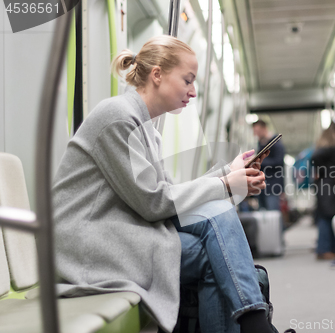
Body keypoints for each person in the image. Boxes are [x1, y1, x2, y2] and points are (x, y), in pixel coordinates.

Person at [52, 35, 287, 333]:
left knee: (214, 225)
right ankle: (256, 322)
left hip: (119, 233)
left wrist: (228, 173)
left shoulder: (145, 127)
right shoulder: (117, 118)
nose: (193, 91)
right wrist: (226, 184)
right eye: (187, 80)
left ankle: (254, 322)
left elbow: (169, 197)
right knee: (214, 255)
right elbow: (154, 204)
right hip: (88, 246)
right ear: (158, 74)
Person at [311, 120, 335, 260]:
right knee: (328, 215)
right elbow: (316, 158)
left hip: (327, 185)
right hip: (329, 187)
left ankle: (328, 248)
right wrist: (331, 173)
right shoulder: (332, 148)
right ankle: (325, 249)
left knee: (327, 215)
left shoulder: (329, 147)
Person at [252, 119, 285, 211]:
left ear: (265, 128)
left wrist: (259, 162)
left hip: (273, 186)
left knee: (273, 214)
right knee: (264, 215)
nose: (256, 134)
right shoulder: (260, 145)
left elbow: (279, 162)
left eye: (258, 131)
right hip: (261, 185)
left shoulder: (277, 145)